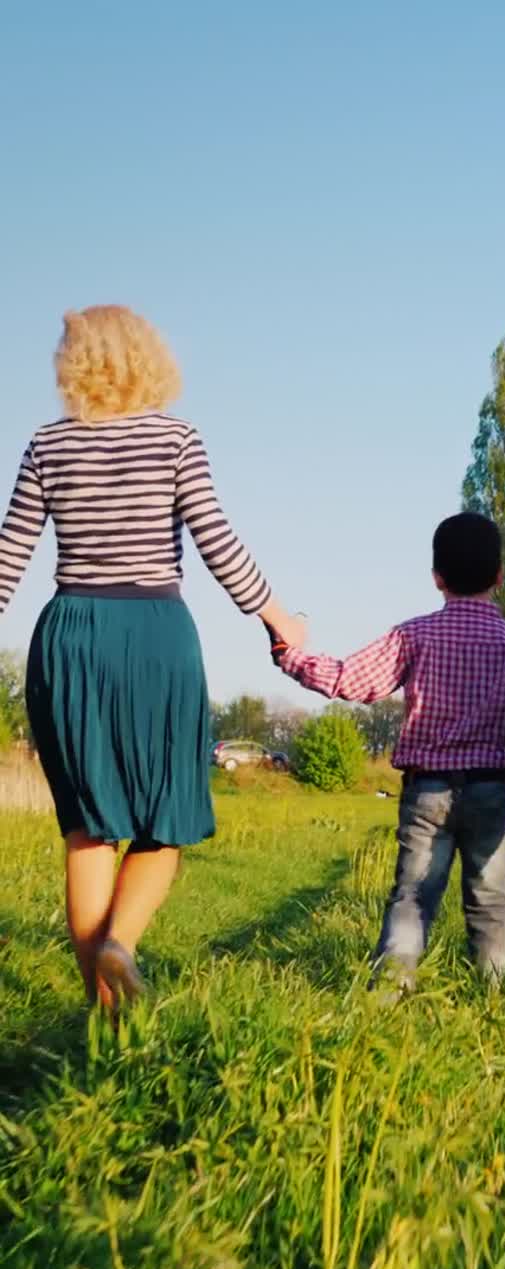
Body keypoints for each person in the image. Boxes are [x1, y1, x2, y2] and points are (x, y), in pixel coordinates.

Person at [0, 305, 306, 1009]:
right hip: (155, 635)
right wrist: (278, 618)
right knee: (165, 820)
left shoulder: (47, 444)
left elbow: (9, 555)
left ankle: (102, 1021)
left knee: (87, 831)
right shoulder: (175, 438)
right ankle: (121, 944)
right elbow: (218, 542)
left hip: (71, 637)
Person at [269, 511, 505, 990]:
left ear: (437, 577)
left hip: (427, 791)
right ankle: (492, 993)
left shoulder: (413, 635)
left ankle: (390, 989)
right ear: (500, 576)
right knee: (490, 899)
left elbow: (350, 680)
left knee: (413, 897)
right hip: (490, 793)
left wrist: (290, 657)